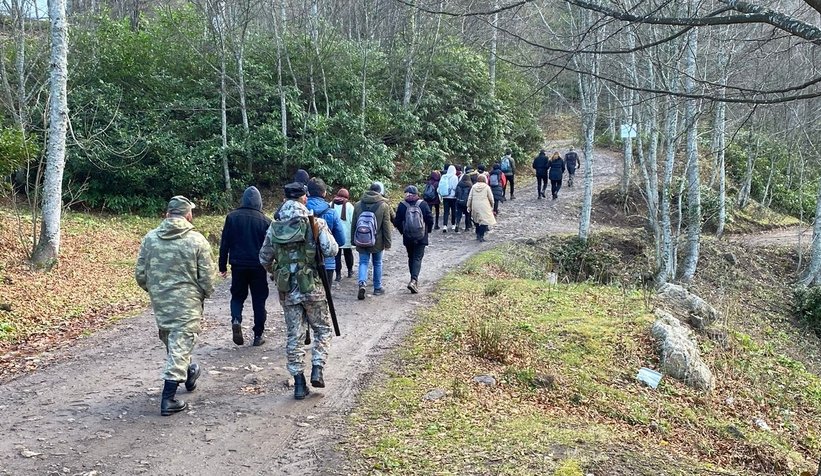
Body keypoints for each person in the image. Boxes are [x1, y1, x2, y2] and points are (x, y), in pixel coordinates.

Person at [135, 196, 216, 416]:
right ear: (188, 215)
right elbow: (208, 278)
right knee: (180, 344)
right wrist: (203, 294)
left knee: (174, 341)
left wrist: (156, 291)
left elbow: (140, 274)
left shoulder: (150, 239)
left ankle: (189, 372)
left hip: (161, 301)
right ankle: (168, 399)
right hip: (187, 302)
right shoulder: (197, 240)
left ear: (167, 214)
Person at [259, 183, 339, 400]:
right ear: (304, 198)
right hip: (312, 286)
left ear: (284, 199)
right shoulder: (315, 223)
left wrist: (277, 272)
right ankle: (317, 368)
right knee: (322, 329)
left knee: (294, 335)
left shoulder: (274, 227)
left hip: (287, 289)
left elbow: (264, 257)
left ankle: (299, 384)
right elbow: (332, 250)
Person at [219, 186, 271, 347]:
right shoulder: (265, 221)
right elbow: (269, 247)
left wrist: (222, 266)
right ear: (259, 202)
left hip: (238, 265)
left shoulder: (232, 217)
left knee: (237, 296)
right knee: (259, 300)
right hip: (258, 266)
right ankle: (258, 335)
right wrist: (271, 267)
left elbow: (224, 243)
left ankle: (236, 319)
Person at [352, 182, 393, 300]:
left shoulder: (358, 205)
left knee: (363, 262)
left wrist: (353, 240)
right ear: (380, 192)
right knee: (377, 263)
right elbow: (386, 226)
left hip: (361, 239)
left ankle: (362, 283)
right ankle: (377, 288)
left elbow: (354, 224)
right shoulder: (383, 206)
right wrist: (388, 243)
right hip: (377, 241)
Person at [392, 185, 434, 294]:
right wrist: (427, 231)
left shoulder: (402, 205)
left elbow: (397, 222)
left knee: (411, 257)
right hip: (421, 236)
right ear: (416, 194)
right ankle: (414, 280)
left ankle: (413, 279)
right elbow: (430, 219)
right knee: (417, 258)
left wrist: (403, 232)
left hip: (408, 237)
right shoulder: (423, 204)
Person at [305, 178, 346, 284]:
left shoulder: (301, 211)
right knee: (326, 293)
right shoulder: (332, 213)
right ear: (324, 193)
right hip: (327, 263)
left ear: (307, 192)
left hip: (304, 263)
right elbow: (341, 241)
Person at [331, 188, 355, 281]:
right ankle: (350, 271)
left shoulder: (331, 204)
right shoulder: (349, 206)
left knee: (336, 255)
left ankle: (338, 275)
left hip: (334, 235)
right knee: (348, 253)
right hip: (346, 235)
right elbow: (353, 220)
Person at [467, 175, 496, 242]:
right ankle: (481, 236)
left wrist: (468, 205)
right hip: (484, 205)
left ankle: (477, 234)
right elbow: (491, 198)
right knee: (484, 221)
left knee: (476, 220)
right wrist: (492, 205)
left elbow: (470, 197)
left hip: (475, 205)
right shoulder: (487, 187)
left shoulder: (473, 187)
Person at [438, 165, 458, 233]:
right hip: (453, 197)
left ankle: (445, 225)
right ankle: (453, 225)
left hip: (445, 196)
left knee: (446, 211)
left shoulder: (444, 176)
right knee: (453, 211)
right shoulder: (455, 177)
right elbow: (455, 187)